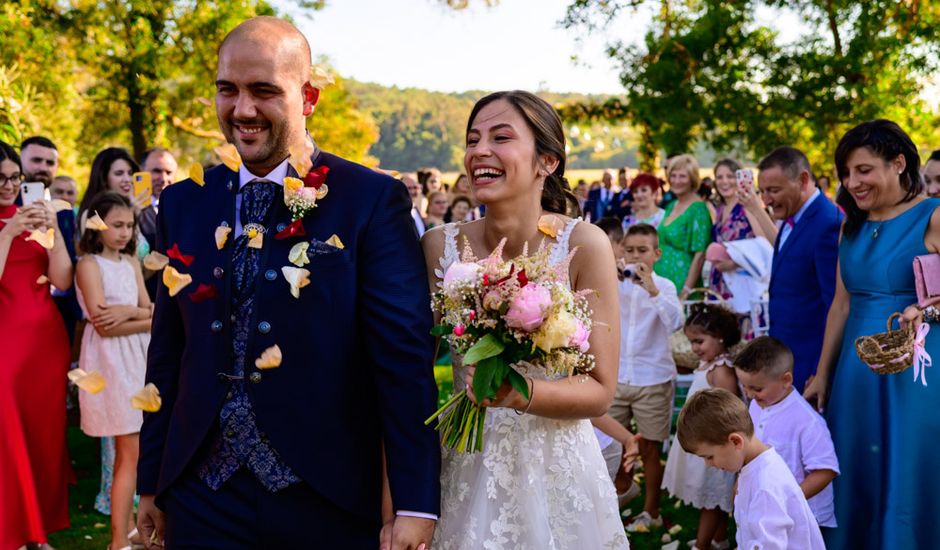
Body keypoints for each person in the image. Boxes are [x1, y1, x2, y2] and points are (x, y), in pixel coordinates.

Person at [136, 17, 440, 549]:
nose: (243, 109)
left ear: (309, 97)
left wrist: (414, 501)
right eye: (227, 90)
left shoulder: (369, 200)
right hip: (198, 493)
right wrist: (151, 483)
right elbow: (168, 351)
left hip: (326, 493)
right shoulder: (184, 203)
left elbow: (402, 360)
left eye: (264, 91)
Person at [423, 90, 628, 549]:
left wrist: (519, 392)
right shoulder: (439, 246)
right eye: (473, 139)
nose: (479, 151)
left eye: (500, 137)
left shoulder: (586, 245)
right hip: (466, 460)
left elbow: (600, 390)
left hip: (558, 472)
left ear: (547, 162)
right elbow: (409, 369)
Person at [804, 119, 940, 549]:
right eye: (846, 172)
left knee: (906, 462)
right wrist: (823, 374)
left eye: (863, 170)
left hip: (914, 365)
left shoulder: (933, 216)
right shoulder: (852, 225)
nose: (852, 181)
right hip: (855, 370)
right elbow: (841, 304)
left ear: (898, 163)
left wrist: (927, 310)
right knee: (854, 462)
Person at [0, 140, 73, 550]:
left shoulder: (37, 218)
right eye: (2, 179)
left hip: (46, 343)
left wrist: (54, 234)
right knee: (8, 434)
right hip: (4, 344)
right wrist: (9, 231)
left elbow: (62, 281)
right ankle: (16, 529)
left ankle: (39, 531)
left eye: (15, 178)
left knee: (44, 437)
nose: (10, 186)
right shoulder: (11, 224)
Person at [75, 192, 152, 550]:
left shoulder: (130, 262)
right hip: (111, 363)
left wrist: (128, 313)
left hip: (138, 360)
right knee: (129, 453)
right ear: (97, 224)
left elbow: (149, 309)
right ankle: (118, 540)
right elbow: (103, 325)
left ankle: (133, 528)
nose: (124, 232)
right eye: (116, 225)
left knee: (136, 451)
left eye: (129, 225)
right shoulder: (89, 264)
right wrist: (138, 316)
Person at [605, 222, 683, 532]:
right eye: (630, 249)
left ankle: (651, 509)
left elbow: (675, 322)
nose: (636, 256)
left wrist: (650, 290)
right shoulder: (613, 281)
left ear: (656, 254)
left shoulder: (664, 286)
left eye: (643, 251)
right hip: (617, 375)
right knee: (611, 444)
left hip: (653, 377)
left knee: (650, 447)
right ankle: (620, 492)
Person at [677, 388, 825, 550]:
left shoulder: (765, 485)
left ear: (735, 441)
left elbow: (770, 546)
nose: (708, 464)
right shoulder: (755, 466)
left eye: (709, 457)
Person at [733, 337, 839, 531]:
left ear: (786, 380)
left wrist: (788, 500)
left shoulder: (807, 421)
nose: (749, 395)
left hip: (800, 518)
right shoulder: (757, 405)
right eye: (744, 386)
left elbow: (826, 470)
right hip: (765, 510)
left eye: (756, 388)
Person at [759, 146, 842, 391]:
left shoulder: (827, 224)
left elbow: (835, 304)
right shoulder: (789, 217)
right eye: (762, 191)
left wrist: (821, 371)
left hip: (809, 363)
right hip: (785, 358)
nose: (766, 200)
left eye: (774, 190)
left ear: (803, 179)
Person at [661, 303, 740, 550]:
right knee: (712, 496)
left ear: (720, 337)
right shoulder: (709, 365)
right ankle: (719, 539)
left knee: (712, 499)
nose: (694, 348)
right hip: (704, 439)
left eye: (699, 341)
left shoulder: (721, 370)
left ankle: (702, 545)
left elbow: (729, 409)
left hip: (715, 442)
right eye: (691, 342)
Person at [708, 158, 777, 299]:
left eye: (730, 176)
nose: (724, 182)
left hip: (742, 281)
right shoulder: (720, 209)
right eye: (719, 177)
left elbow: (763, 243)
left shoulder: (746, 205)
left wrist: (734, 262)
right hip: (720, 281)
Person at [655, 154, 712, 295]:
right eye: (673, 176)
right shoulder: (671, 206)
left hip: (682, 285)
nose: (676, 181)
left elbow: (700, 255)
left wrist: (686, 291)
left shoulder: (698, 209)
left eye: (682, 176)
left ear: (692, 179)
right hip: (662, 284)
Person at [138, 148, 178, 301]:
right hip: (144, 299)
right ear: (141, 172)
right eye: (156, 171)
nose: (163, 178)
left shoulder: (184, 208)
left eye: (169, 172)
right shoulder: (129, 209)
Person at [401, 172, 426, 237]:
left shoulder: (416, 209)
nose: (412, 191)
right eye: (408, 188)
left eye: (415, 187)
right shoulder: (398, 212)